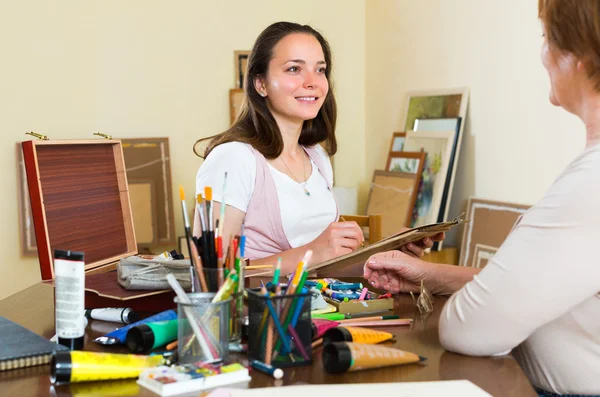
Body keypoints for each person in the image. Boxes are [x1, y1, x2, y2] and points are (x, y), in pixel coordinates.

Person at [363, 1, 600, 395]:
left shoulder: (590, 185)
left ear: (576, 55)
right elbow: (541, 287)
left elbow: (468, 328)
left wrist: (461, 296)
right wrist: (434, 276)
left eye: (546, 38)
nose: (542, 55)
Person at [194, 22, 437, 274]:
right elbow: (210, 273)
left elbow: (327, 266)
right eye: (294, 69)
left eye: (320, 70)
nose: (312, 82)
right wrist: (312, 252)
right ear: (260, 84)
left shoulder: (317, 156)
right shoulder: (233, 158)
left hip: (324, 309)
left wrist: (387, 252)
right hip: (262, 312)